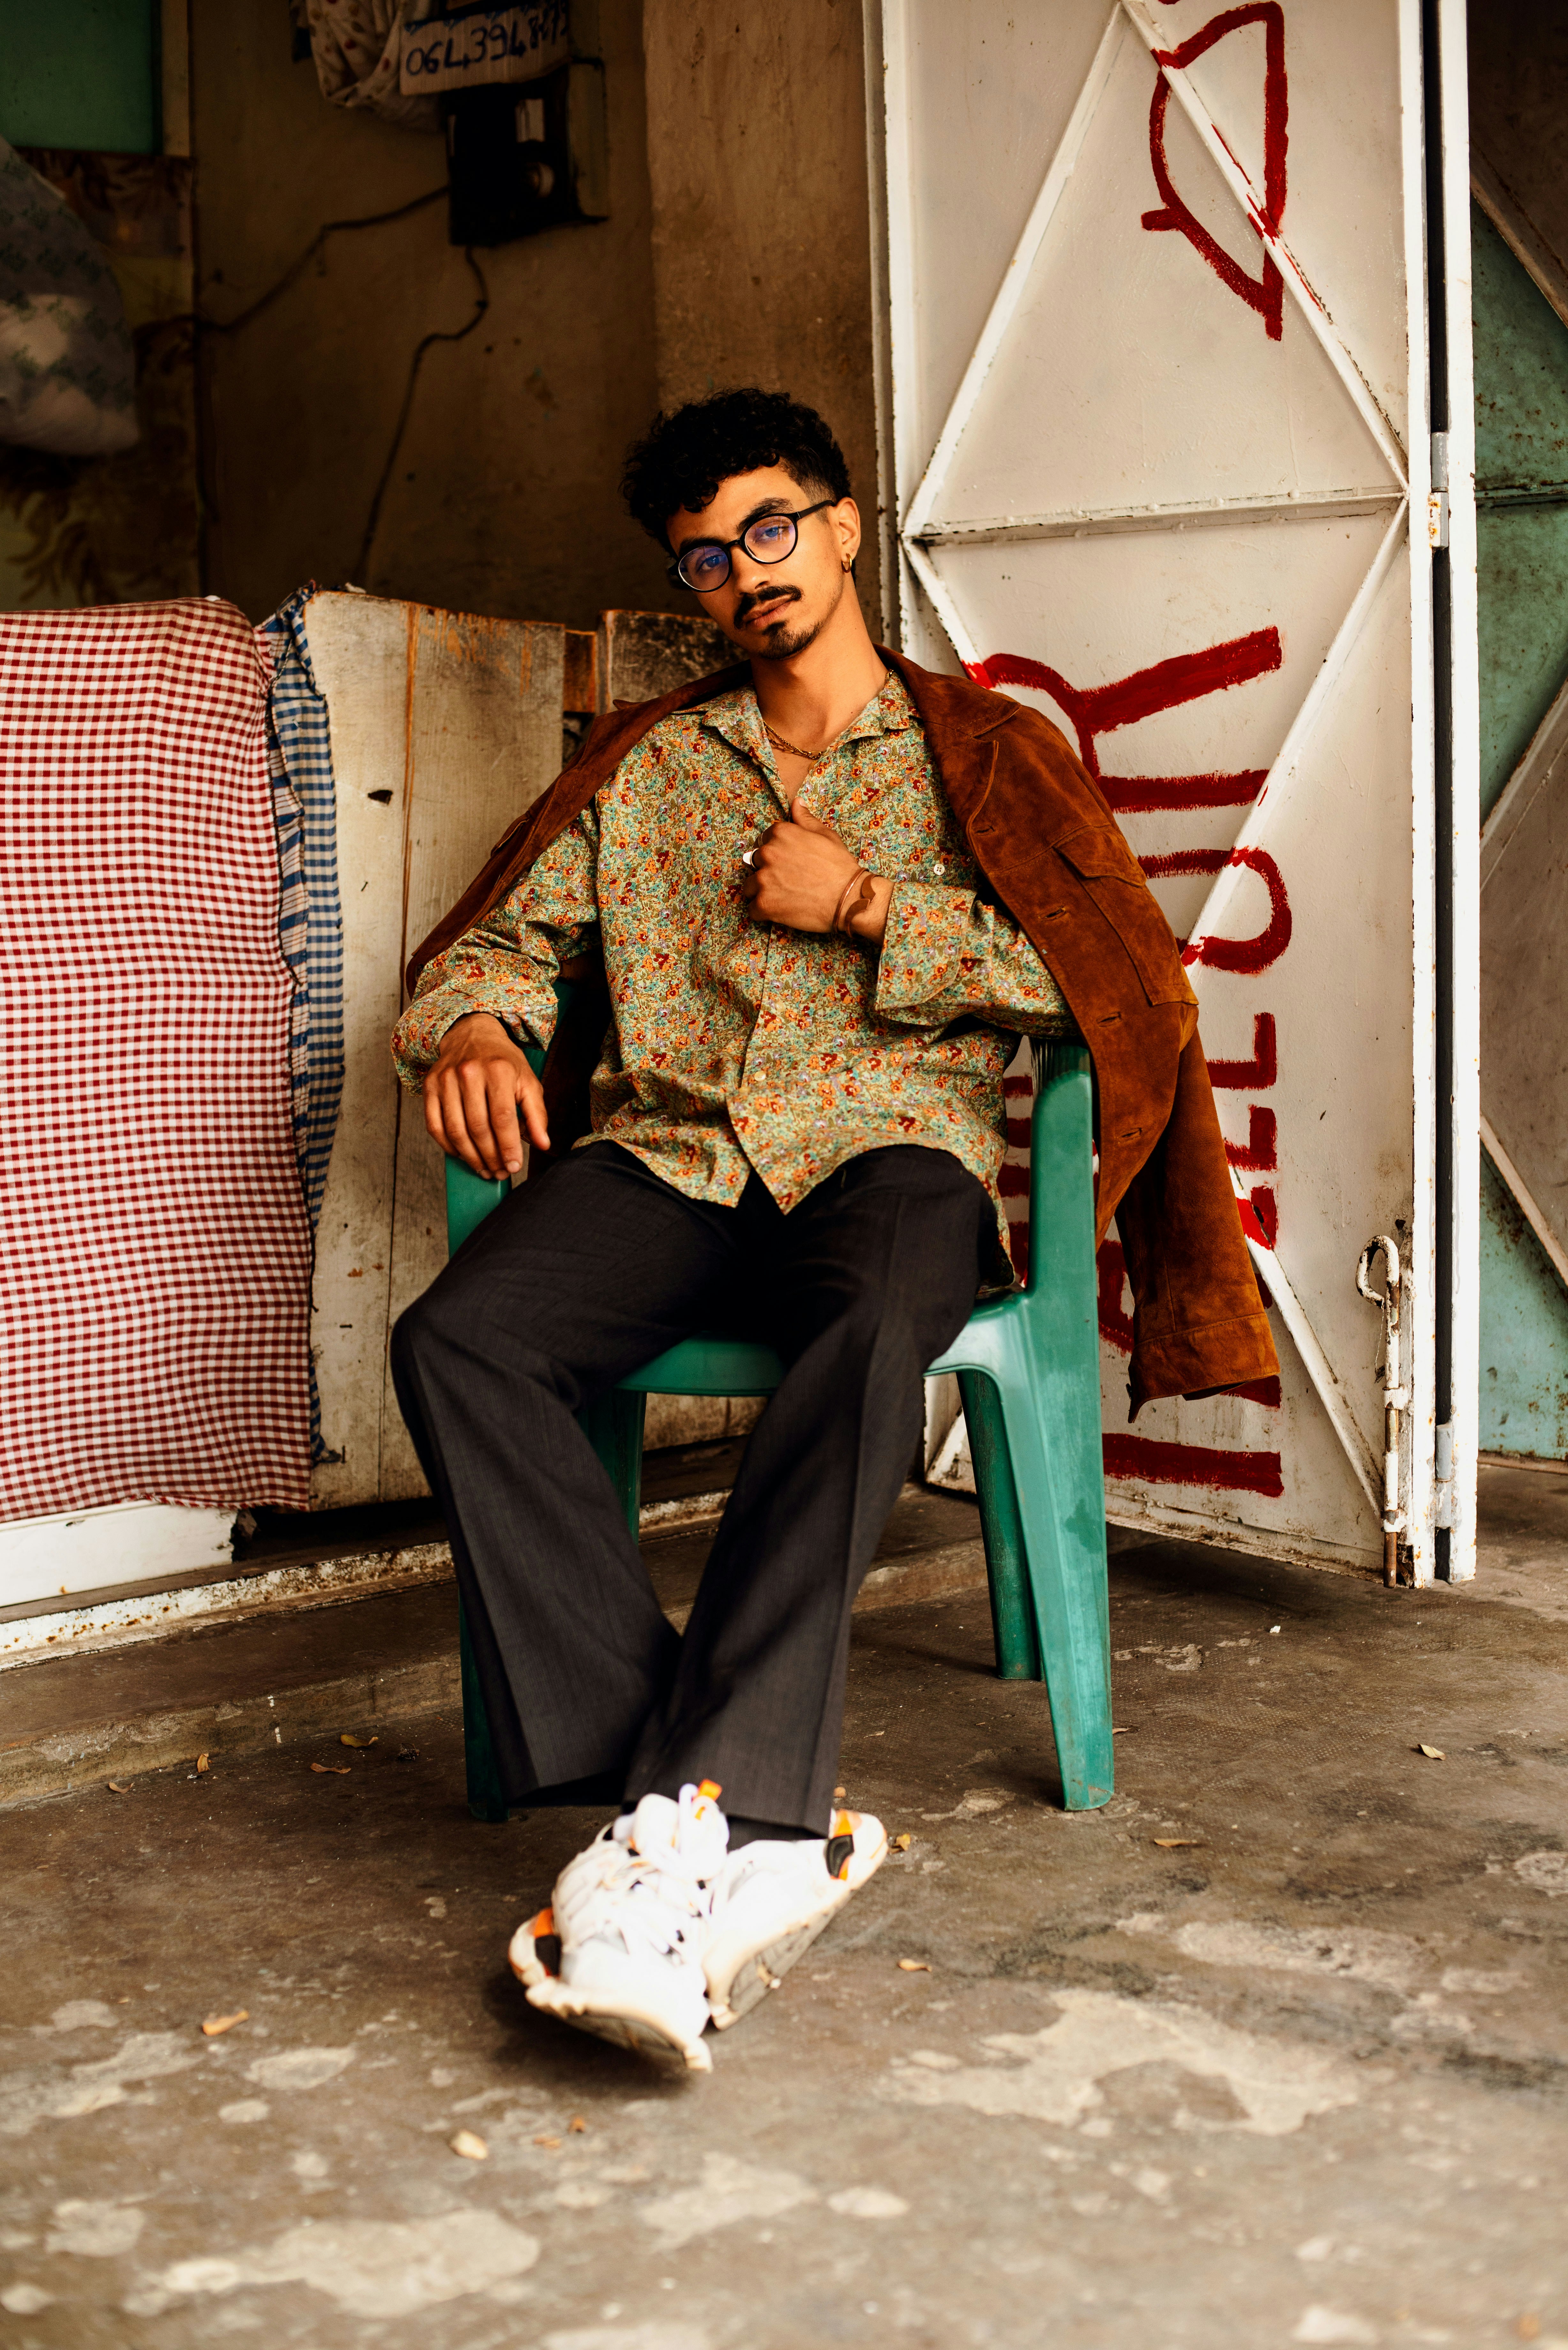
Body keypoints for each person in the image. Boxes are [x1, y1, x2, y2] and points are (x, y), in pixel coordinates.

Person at [390, 390, 1276, 2072]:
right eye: (706, 556)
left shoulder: (986, 758)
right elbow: (499, 945)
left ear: (847, 522)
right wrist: (487, 1031)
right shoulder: (653, 768)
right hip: (667, 1162)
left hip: (890, 1164)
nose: (745, 573)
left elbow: (1110, 989)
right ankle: (725, 1804)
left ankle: (687, 1821)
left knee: (873, 1326)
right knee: (459, 1336)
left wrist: (869, 905)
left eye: (771, 528)